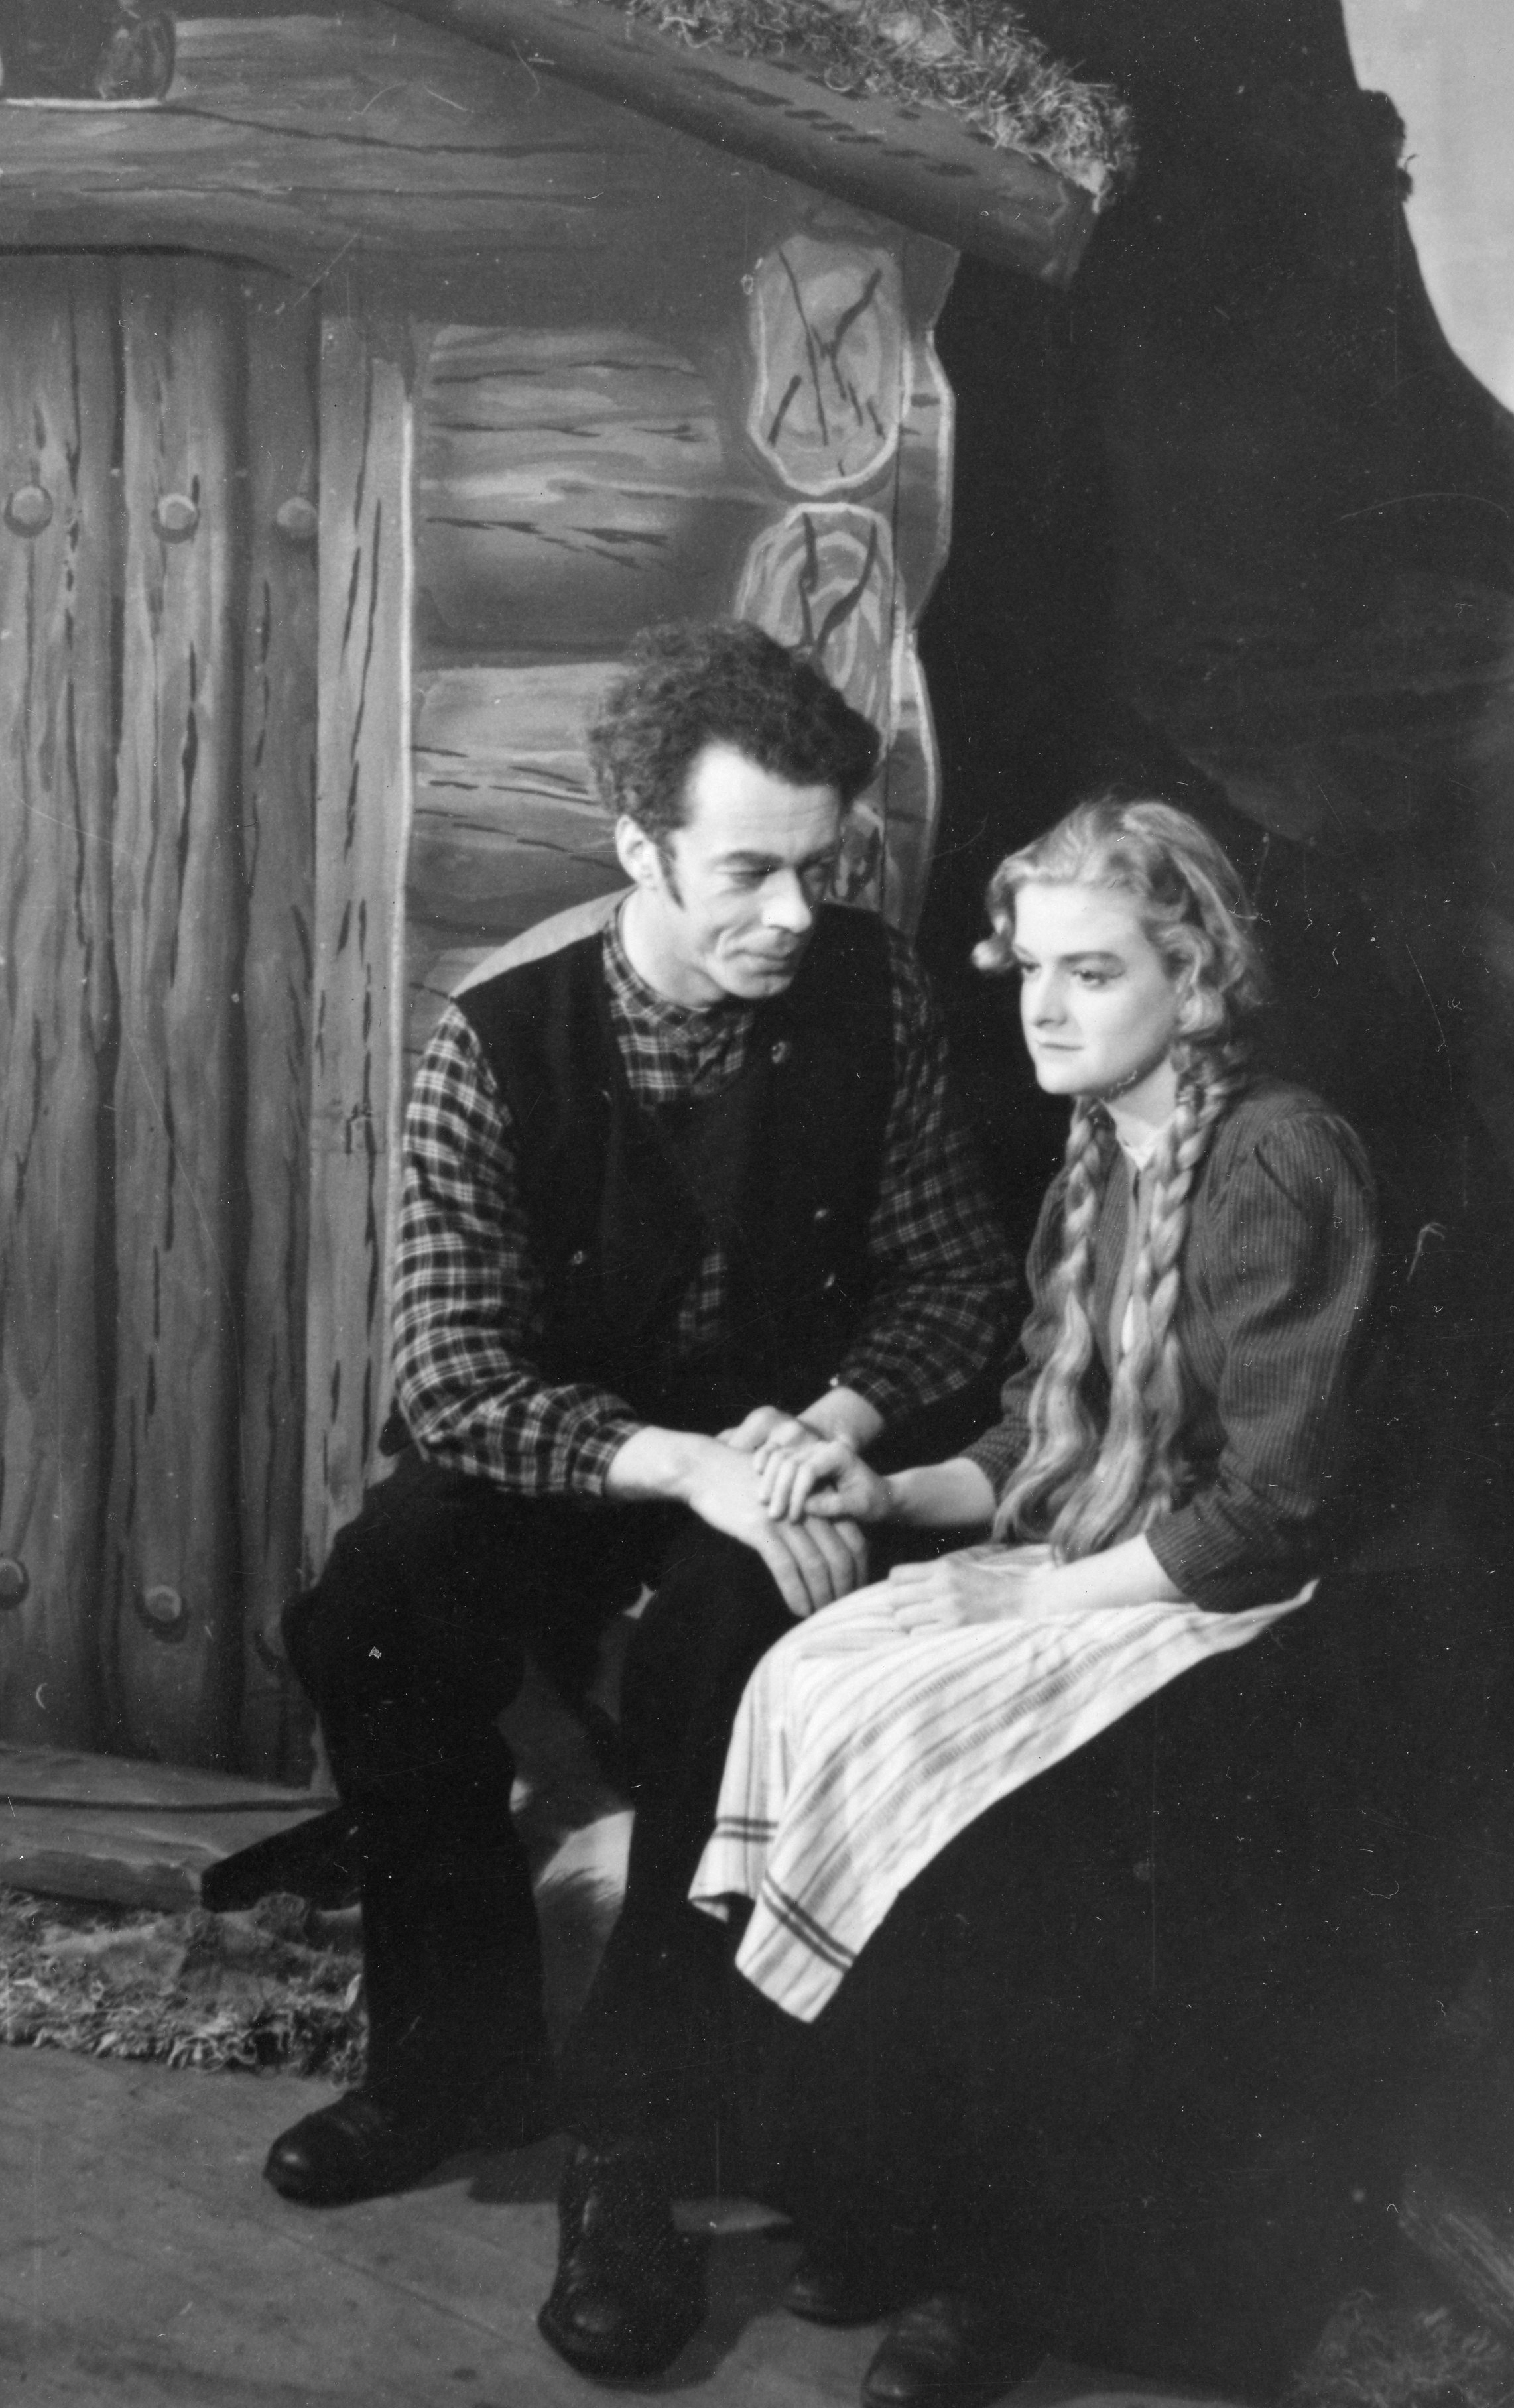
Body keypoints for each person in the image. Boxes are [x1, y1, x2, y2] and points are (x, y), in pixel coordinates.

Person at [264, 622, 1017, 2383]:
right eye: (746, 870)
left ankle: (632, 2150)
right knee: (373, 1604)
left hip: (789, 1457)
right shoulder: (496, 1032)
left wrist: (817, 1439)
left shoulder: (877, 994)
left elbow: (956, 1282)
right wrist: (690, 1464)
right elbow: (453, 1380)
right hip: (581, 1450)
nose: (792, 912)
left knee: (726, 1660)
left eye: (820, 867)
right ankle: (450, 2062)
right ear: (637, 849)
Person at [689, 798, 1398, 2408]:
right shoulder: (1100, 1146)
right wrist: (889, 1495)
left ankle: (995, 2271)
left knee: (991, 1802)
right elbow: (1035, 1430)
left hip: (1256, 1603)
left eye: (1095, 972)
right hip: (1114, 1552)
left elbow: (1273, 1505)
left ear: (1195, 980)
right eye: (1030, 970)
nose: (1046, 1008)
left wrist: (1040, 1605)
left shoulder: (1275, 1152)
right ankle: (882, 2187)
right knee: (814, 1678)